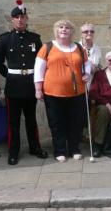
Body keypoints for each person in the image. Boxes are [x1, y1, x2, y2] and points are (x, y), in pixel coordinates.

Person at [0, 0, 49, 165]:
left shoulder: (34, 38)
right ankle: (13, 152)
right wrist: (9, 76)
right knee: (13, 122)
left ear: (26, 19)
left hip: (31, 85)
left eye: (22, 17)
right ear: (12, 19)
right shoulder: (5, 39)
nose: (20, 20)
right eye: (16, 17)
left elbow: (42, 61)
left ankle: (35, 147)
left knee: (31, 120)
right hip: (14, 86)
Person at [34, 19, 91, 162]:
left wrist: (87, 74)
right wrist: (38, 89)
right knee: (56, 123)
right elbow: (38, 69)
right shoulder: (47, 47)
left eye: (67, 28)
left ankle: (74, 149)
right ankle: (59, 150)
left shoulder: (79, 47)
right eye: (61, 27)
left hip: (77, 93)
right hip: (53, 93)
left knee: (76, 122)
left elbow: (86, 63)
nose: (64, 29)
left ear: (72, 31)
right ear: (56, 30)